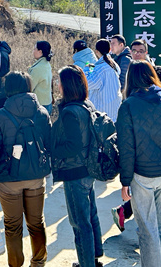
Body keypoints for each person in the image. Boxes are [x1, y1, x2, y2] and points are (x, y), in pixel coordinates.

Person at [117, 61, 161, 267]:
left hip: (141, 174)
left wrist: (125, 180)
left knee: (147, 230)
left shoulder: (128, 105)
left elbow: (126, 148)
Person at [0, 71, 51, 267]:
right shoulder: (41, 113)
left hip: (8, 179)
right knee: (36, 223)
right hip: (36, 177)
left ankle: (15, 264)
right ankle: (38, 263)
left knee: (13, 226)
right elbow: (48, 144)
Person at [51, 65, 103, 267]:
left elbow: (73, 145)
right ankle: (94, 256)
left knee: (80, 223)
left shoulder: (70, 112)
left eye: (60, 81)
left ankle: (86, 263)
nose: (58, 84)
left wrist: (52, 149)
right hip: (88, 168)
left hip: (75, 171)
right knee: (91, 215)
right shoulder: (86, 104)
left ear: (67, 85)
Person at [86, 39, 122, 122]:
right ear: (109, 50)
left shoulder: (99, 68)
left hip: (102, 113)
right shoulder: (114, 66)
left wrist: (88, 68)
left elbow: (87, 83)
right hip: (114, 111)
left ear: (97, 51)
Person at [29, 41, 53, 114]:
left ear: (40, 52)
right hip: (47, 102)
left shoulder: (38, 68)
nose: (33, 51)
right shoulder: (46, 64)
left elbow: (29, 87)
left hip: (39, 105)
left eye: (34, 49)